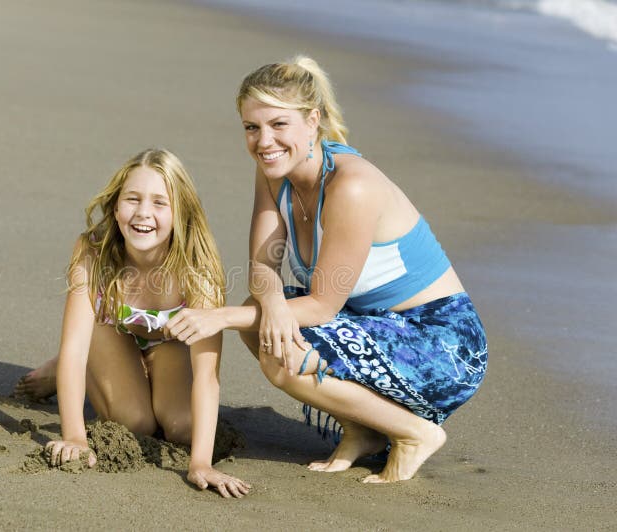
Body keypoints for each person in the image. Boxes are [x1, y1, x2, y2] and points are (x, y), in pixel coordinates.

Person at [164, 56, 487, 483]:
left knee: (282, 356)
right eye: (251, 127)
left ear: (312, 120)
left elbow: (321, 307)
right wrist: (273, 300)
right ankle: (363, 430)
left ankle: (413, 434)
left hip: (440, 343)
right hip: (374, 324)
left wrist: (218, 317)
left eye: (279, 125)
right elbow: (263, 263)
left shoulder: (351, 186)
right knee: (258, 322)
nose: (264, 141)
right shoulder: (273, 173)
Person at [15, 148, 250, 498]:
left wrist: (200, 462)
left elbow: (207, 375)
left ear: (180, 213)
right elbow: (75, 351)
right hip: (108, 334)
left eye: (159, 203)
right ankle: (62, 371)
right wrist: (75, 436)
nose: (143, 213)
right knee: (134, 423)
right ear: (115, 206)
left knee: (182, 427)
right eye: (133, 200)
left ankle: (140, 370)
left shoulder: (198, 270)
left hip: (168, 344)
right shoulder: (93, 252)